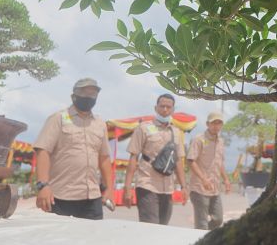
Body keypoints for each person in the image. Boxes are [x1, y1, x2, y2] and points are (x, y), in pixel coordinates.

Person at [33, 78, 114, 220]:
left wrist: (109, 188)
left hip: (92, 197)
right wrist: (43, 185)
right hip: (60, 195)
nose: (89, 97)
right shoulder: (58, 118)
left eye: (93, 94)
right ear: (73, 96)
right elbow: (43, 151)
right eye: (85, 93)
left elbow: (104, 158)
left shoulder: (100, 123)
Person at [122, 93, 188, 224]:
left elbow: (178, 161)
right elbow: (134, 156)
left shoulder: (176, 132)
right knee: (150, 227)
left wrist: (184, 186)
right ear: (155, 108)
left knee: (163, 228)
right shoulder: (143, 128)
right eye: (162, 106)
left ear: (173, 110)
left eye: (169, 107)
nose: (165, 109)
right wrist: (127, 187)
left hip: (167, 187)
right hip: (147, 184)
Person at [187, 111, 232, 230]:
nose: (216, 126)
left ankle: (206, 236)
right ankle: (202, 237)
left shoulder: (221, 141)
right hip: (199, 188)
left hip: (215, 189)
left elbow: (220, 162)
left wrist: (226, 180)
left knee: (218, 219)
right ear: (207, 124)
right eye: (213, 123)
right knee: (202, 223)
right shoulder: (199, 139)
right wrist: (203, 179)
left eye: (219, 123)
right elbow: (191, 161)